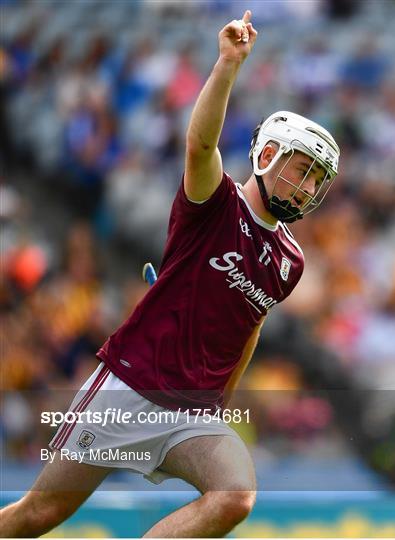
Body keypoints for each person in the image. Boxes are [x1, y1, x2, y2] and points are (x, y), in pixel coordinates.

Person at [0, 10, 340, 538]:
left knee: (234, 496)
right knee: (38, 515)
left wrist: (224, 395)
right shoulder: (214, 201)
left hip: (191, 411)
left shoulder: (290, 260)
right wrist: (228, 64)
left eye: (317, 179)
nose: (307, 186)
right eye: (302, 168)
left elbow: (251, 323)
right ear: (267, 154)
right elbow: (201, 144)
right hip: (130, 385)